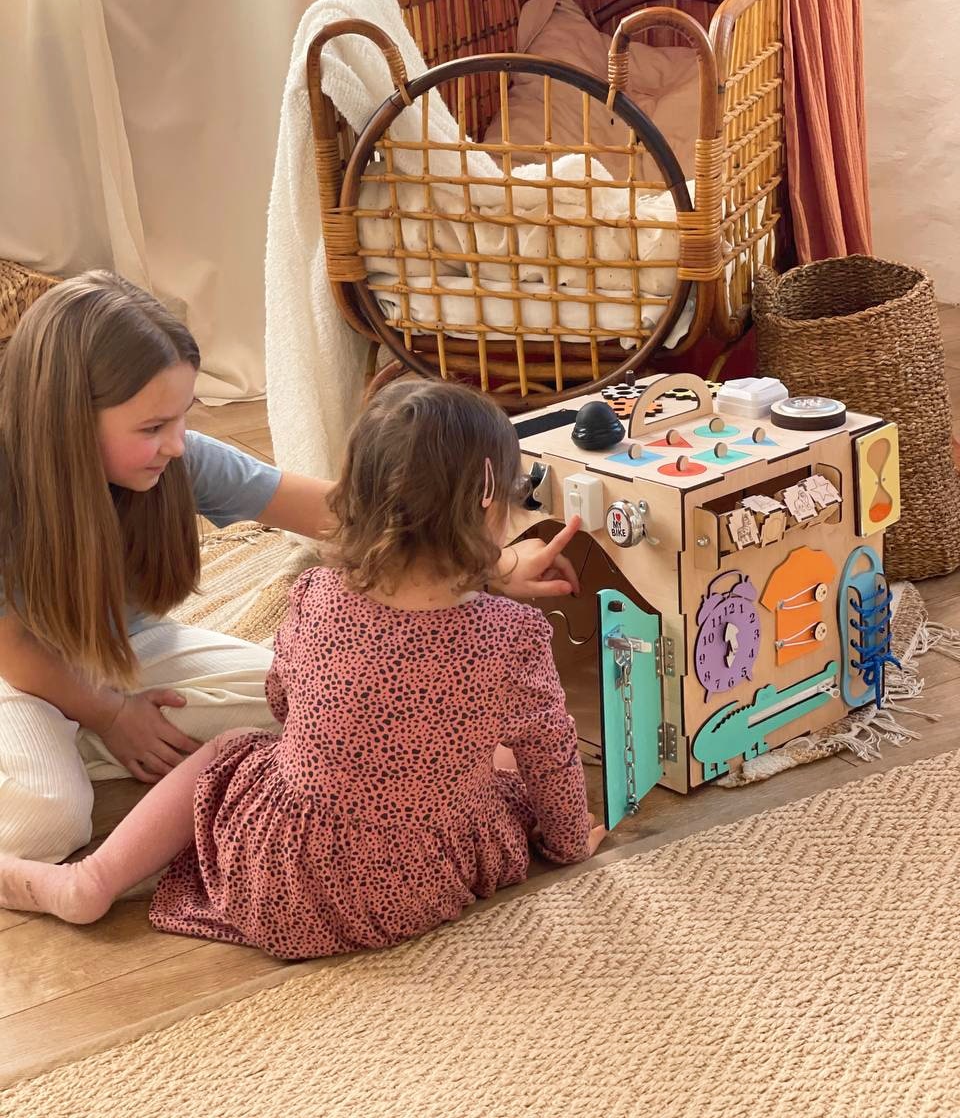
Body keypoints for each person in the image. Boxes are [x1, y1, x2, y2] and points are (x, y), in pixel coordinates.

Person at [0, 379, 605, 958]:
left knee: (238, 748)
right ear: (485, 496)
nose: (176, 439)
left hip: (279, 886)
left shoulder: (316, 596)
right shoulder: (514, 636)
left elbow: (284, 700)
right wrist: (571, 842)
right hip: (416, 893)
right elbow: (551, 757)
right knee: (499, 762)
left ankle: (95, 879)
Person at [0, 273, 581, 864]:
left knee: (332, 716)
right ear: (68, 418)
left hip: (127, 646)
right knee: (44, 825)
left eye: (182, 417)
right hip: (16, 672)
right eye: (152, 428)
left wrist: (489, 561)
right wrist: (113, 714)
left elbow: (348, 513)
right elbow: (14, 649)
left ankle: (87, 741)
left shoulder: (179, 460)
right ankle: (82, 738)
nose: (177, 443)